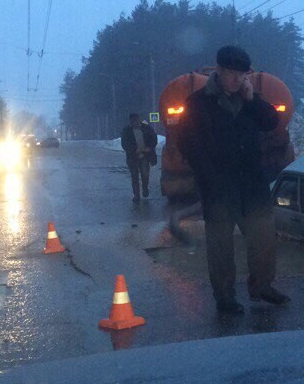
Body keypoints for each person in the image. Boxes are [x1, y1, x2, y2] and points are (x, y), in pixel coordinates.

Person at [177, 45, 290, 314]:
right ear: (220, 71)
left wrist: (253, 100)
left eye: (242, 74)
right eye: (232, 73)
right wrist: (208, 176)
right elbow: (187, 144)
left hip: (252, 185)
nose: (238, 79)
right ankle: (224, 296)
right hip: (218, 188)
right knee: (220, 246)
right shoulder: (198, 103)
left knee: (263, 239)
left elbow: (272, 121)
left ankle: (262, 286)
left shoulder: (250, 98)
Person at [120, 113, 158, 201]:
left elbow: (153, 138)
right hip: (133, 157)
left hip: (144, 155)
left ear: (138, 120)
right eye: (132, 121)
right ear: (130, 121)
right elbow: (125, 144)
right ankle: (136, 195)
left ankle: (145, 188)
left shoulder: (146, 128)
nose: (134, 122)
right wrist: (133, 150)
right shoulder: (126, 131)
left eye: (135, 120)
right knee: (134, 176)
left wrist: (150, 148)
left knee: (145, 174)